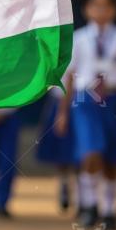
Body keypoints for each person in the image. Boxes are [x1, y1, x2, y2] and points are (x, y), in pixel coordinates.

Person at [55, 0, 116, 230]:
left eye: (106, 6)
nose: (101, 10)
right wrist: (63, 112)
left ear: (115, 10)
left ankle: (108, 210)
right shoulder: (78, 39)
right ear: (86, 10)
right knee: (91, 152)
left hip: (115, 99)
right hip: (85, 101)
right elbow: (69, 77)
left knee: (112, 157)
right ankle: (88, 205)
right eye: (95, 6)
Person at [36, 79, 77, 212]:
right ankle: (65, 184)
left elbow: (71, 80)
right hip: (57, 101)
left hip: (77, 103)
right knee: (61, 152)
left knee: (79, 154)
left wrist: (63, 112)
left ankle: (80, 196)